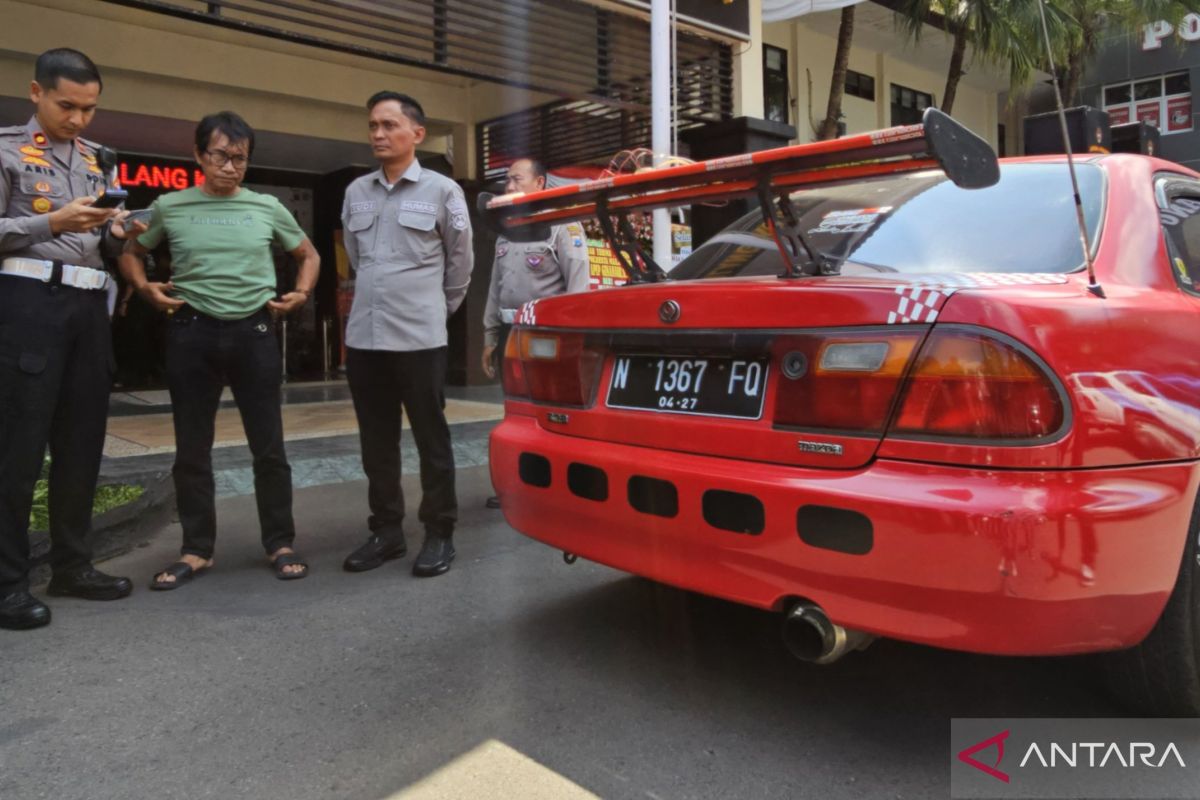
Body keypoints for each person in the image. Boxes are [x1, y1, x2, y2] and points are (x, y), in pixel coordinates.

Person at [118, 111, 320, 589]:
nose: (230, 166)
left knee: (268, 446)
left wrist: (303, 293)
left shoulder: (267, 206)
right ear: (197, 155)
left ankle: (280, 542)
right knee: (192, 449)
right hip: (192, 333)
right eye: (220, 156)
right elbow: (130, 250)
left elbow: (307, 254)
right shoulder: (169, 205)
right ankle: (196, 549)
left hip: (255, 332)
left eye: (240, 158)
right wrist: (144, 287)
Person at [0, 48, 147, 631]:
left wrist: (119, 232)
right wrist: (51, 223)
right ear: (36, 93)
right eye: (68, 105)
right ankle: (9, 583)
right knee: (19, 446)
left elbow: (104, 245)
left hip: (89, 305)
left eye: (89, 108)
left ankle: (72, 565)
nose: (80, 119)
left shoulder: (98, 159)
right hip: (28, 304)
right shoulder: (6, 149)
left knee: (82, 442)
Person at [340, 91, 473, 578]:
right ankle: (387, 532)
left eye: (389, 125)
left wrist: (436, 308)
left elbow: (461, 262)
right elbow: (357, 257)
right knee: (376, 444)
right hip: (366, 339)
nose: (378, 134)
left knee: (430, 441)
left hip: (419, 338)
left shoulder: (443, 191)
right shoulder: (356, 192)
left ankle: (439, 532)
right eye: (373, 125)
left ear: (416, 133)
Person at [481, 157, 589, 508]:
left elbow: (577, 289)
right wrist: (489, 336)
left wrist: (571, 341)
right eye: (506, 181)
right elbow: (495, 288)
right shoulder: (506, 229)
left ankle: (564, 486)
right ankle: (516, 484)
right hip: (511, 333)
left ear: (540, 183)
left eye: (516, 179)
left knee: (553, 413)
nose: (509, 187)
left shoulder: (563, 226)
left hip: (547, 336)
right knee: (516, 412)